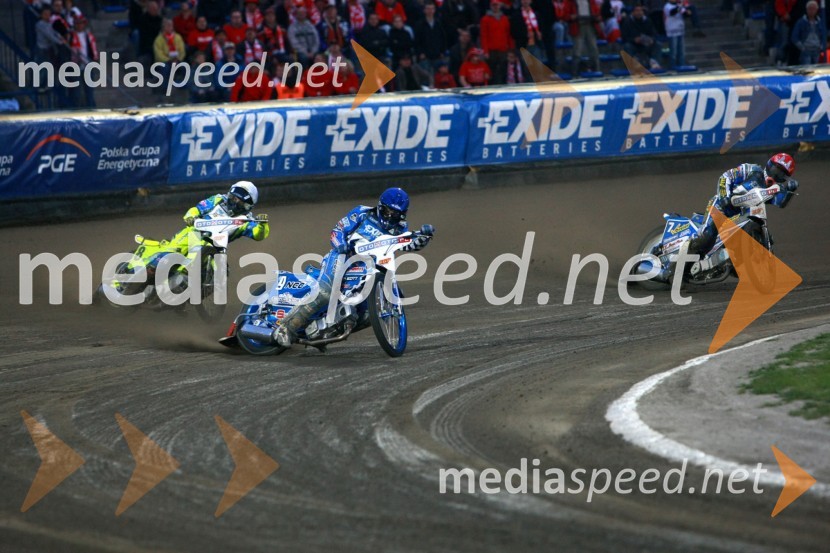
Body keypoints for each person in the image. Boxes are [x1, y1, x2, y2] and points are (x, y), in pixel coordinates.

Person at [273, 188, 434, 347]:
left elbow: (409, 245)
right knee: (327, 292)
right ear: (380, 207)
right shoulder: (362, 213)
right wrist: (340, 245)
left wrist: (424, 236)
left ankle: (329, 329)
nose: (391, 216)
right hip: (343, 257)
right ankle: (285, 328)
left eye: (397, 214)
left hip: (369, 267)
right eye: (388, 211)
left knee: (377, 306)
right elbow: (338, 230)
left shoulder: (400, 228)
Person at [678, 154, 799, 277]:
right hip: (722, 206)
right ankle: (677, 266)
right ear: (769, 165)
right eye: (775, 170)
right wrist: (724, 196)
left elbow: (780, 202)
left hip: (743, 213)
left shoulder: (776, 188)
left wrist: (790, 191)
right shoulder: (752, 170)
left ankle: (731, 260)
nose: (776, 175)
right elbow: (726, 176)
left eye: (781, 175)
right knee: (706, 236)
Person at [480, 0, 513, 84]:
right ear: (491, 6)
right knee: (492, 71)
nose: (495, 7)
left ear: (500, 6)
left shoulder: (504, 18)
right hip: (492, 50)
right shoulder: (485, 19)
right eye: (493, 5)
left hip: (503, 49)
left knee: (504, 70)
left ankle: (504, 86)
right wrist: (485, 51)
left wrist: (510, 48)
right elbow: (484, 36)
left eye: (497, 5)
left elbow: (508, 34)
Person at [791, 1, 826, 65]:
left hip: (817, 50)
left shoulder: (820, 22)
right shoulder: (801, 22)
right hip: (806, 50)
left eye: (813, 9)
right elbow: (794, 37)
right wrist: (802, 47)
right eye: (810, 9)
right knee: (807, 68)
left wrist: (821, 46)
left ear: (816, 10)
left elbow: (824, 35)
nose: (812, 11)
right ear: (806, 10)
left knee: (817, 68)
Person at [664, 0, 687, 69]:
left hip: (680, 30)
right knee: (673, 51)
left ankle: (682, 66)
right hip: (672, 31)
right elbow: (672, 12)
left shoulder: (678, 6)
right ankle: (672, 67)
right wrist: (680, 6)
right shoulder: (667, 6)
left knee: (681, 51)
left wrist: (688, 12)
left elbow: (685, 13)